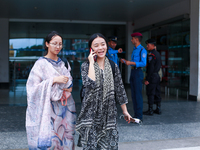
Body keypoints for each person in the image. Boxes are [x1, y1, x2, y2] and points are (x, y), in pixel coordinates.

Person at [76, 33, 132, 150]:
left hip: (109, 115)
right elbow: (89, 85)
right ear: (91, 49)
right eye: (96, 45)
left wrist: (125, 111)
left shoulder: (113, 66)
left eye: (103, 44)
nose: (101, 48)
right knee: (92, 147)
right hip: (91, 116)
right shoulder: (86, 66)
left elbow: (120, 88)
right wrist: (91, 62)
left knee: (109, 146)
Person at [26, 31, 76, 150]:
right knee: (51, 142)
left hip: (65, 110)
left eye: (60, 44)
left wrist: (62, 85)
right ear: (47, 44)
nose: (58, 47)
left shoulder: (64, 62)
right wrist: (53, 80)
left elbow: (70, 87)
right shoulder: (40, 64)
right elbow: (32, 88)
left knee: (65, 140)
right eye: (54, 43)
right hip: (47, 111)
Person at [121, 32, 147, 121]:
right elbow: (132, 61)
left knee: (138, 95)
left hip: (138, 72)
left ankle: (139, 116)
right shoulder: (135, 49)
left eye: (132, 38)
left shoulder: (142, 50)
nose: (131, 40)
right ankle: (136, 115)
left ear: (136, 39)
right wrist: (125, 61)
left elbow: (143, 63)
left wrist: (131, 63)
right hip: (133, 72)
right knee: (133, 95)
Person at [144, 39, 162, 115]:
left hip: (152, 76)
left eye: (148, 45)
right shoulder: (157, 54)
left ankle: (150, 110)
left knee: (150, 93)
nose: (147, 46)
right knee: (157, 92)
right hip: (157, 76)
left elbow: (150, 68)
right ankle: (158, 108)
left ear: (153, 45)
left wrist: (147, 79)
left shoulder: (151, 55)